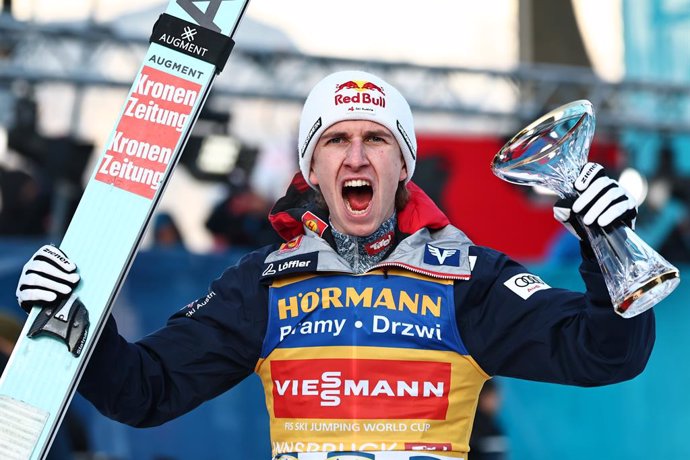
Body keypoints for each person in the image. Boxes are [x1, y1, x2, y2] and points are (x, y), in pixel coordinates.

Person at [16, 70, 652, 460]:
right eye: (334, 140)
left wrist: (608, 246)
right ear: (311, 169)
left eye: (376, 138)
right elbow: (143, 391)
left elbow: (606, 353)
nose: (355, 155)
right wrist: (76, 325)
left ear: (402, 165)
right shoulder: (263, 284)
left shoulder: (467, 279)